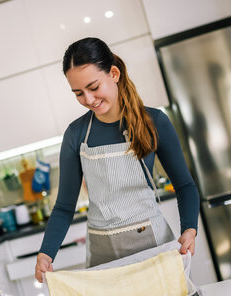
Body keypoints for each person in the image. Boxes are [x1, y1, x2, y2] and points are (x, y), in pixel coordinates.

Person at [34, 37, 199, 282]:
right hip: (104, 255)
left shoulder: (154, 122)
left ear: (114, 73)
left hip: (152, 245)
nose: (88, 100)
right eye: (78, 93)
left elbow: (185, 186)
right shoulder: (76, 134)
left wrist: (189, 229)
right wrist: (47, 252)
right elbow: (64, 207)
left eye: (93, 87)